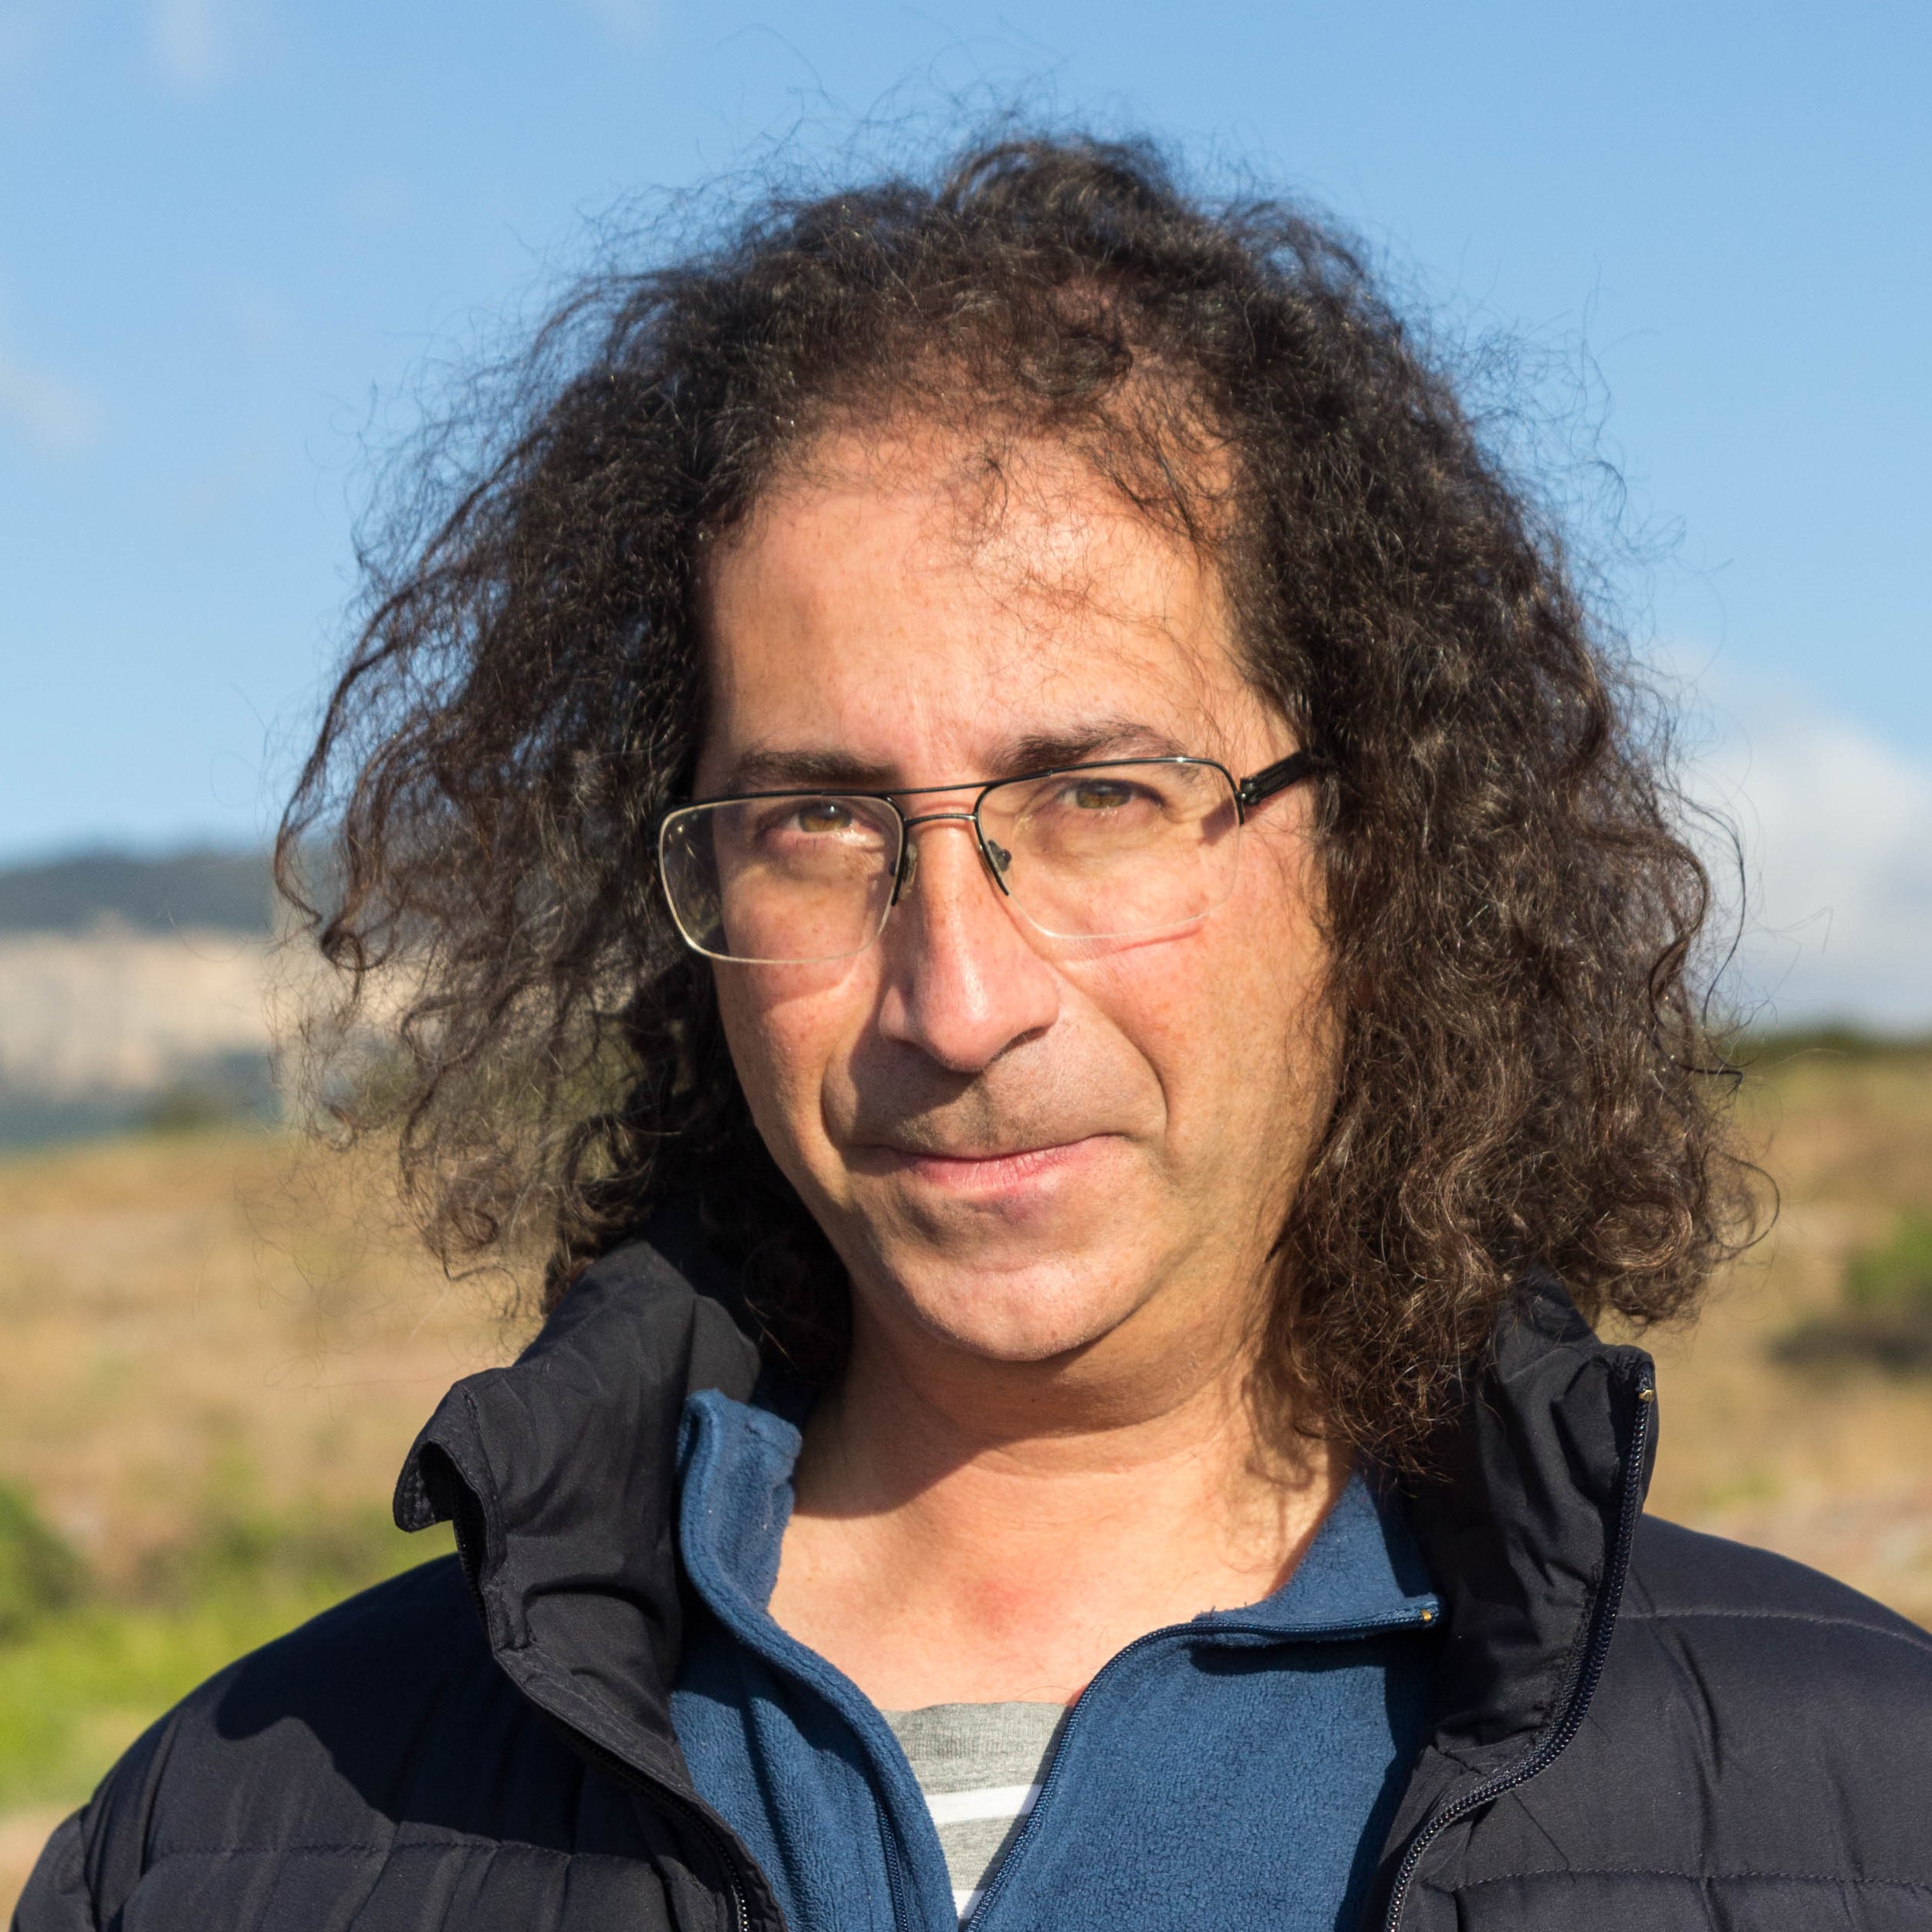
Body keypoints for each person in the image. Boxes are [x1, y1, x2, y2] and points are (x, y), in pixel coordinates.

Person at [17, 136, 1932, 1932]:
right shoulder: (236, 1836)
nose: (958, 998)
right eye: (817, 821)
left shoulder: (1855, 1812)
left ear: (1373, 856)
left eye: (1100, 796)